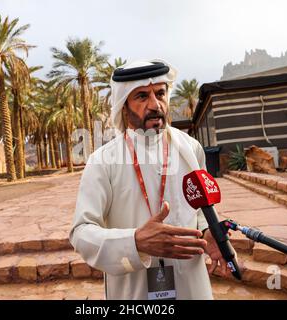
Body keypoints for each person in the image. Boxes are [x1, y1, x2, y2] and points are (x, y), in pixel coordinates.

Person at [69, 59, 233, 300]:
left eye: (160, 93)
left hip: (191, 283)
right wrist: (134, 242)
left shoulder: (191, 148)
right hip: (134, 290)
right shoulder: (103, 161)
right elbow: (81, 232)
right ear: (124, 106)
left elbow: (200, 210)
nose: (155, 104)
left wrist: (209, 232)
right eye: (142, 96)